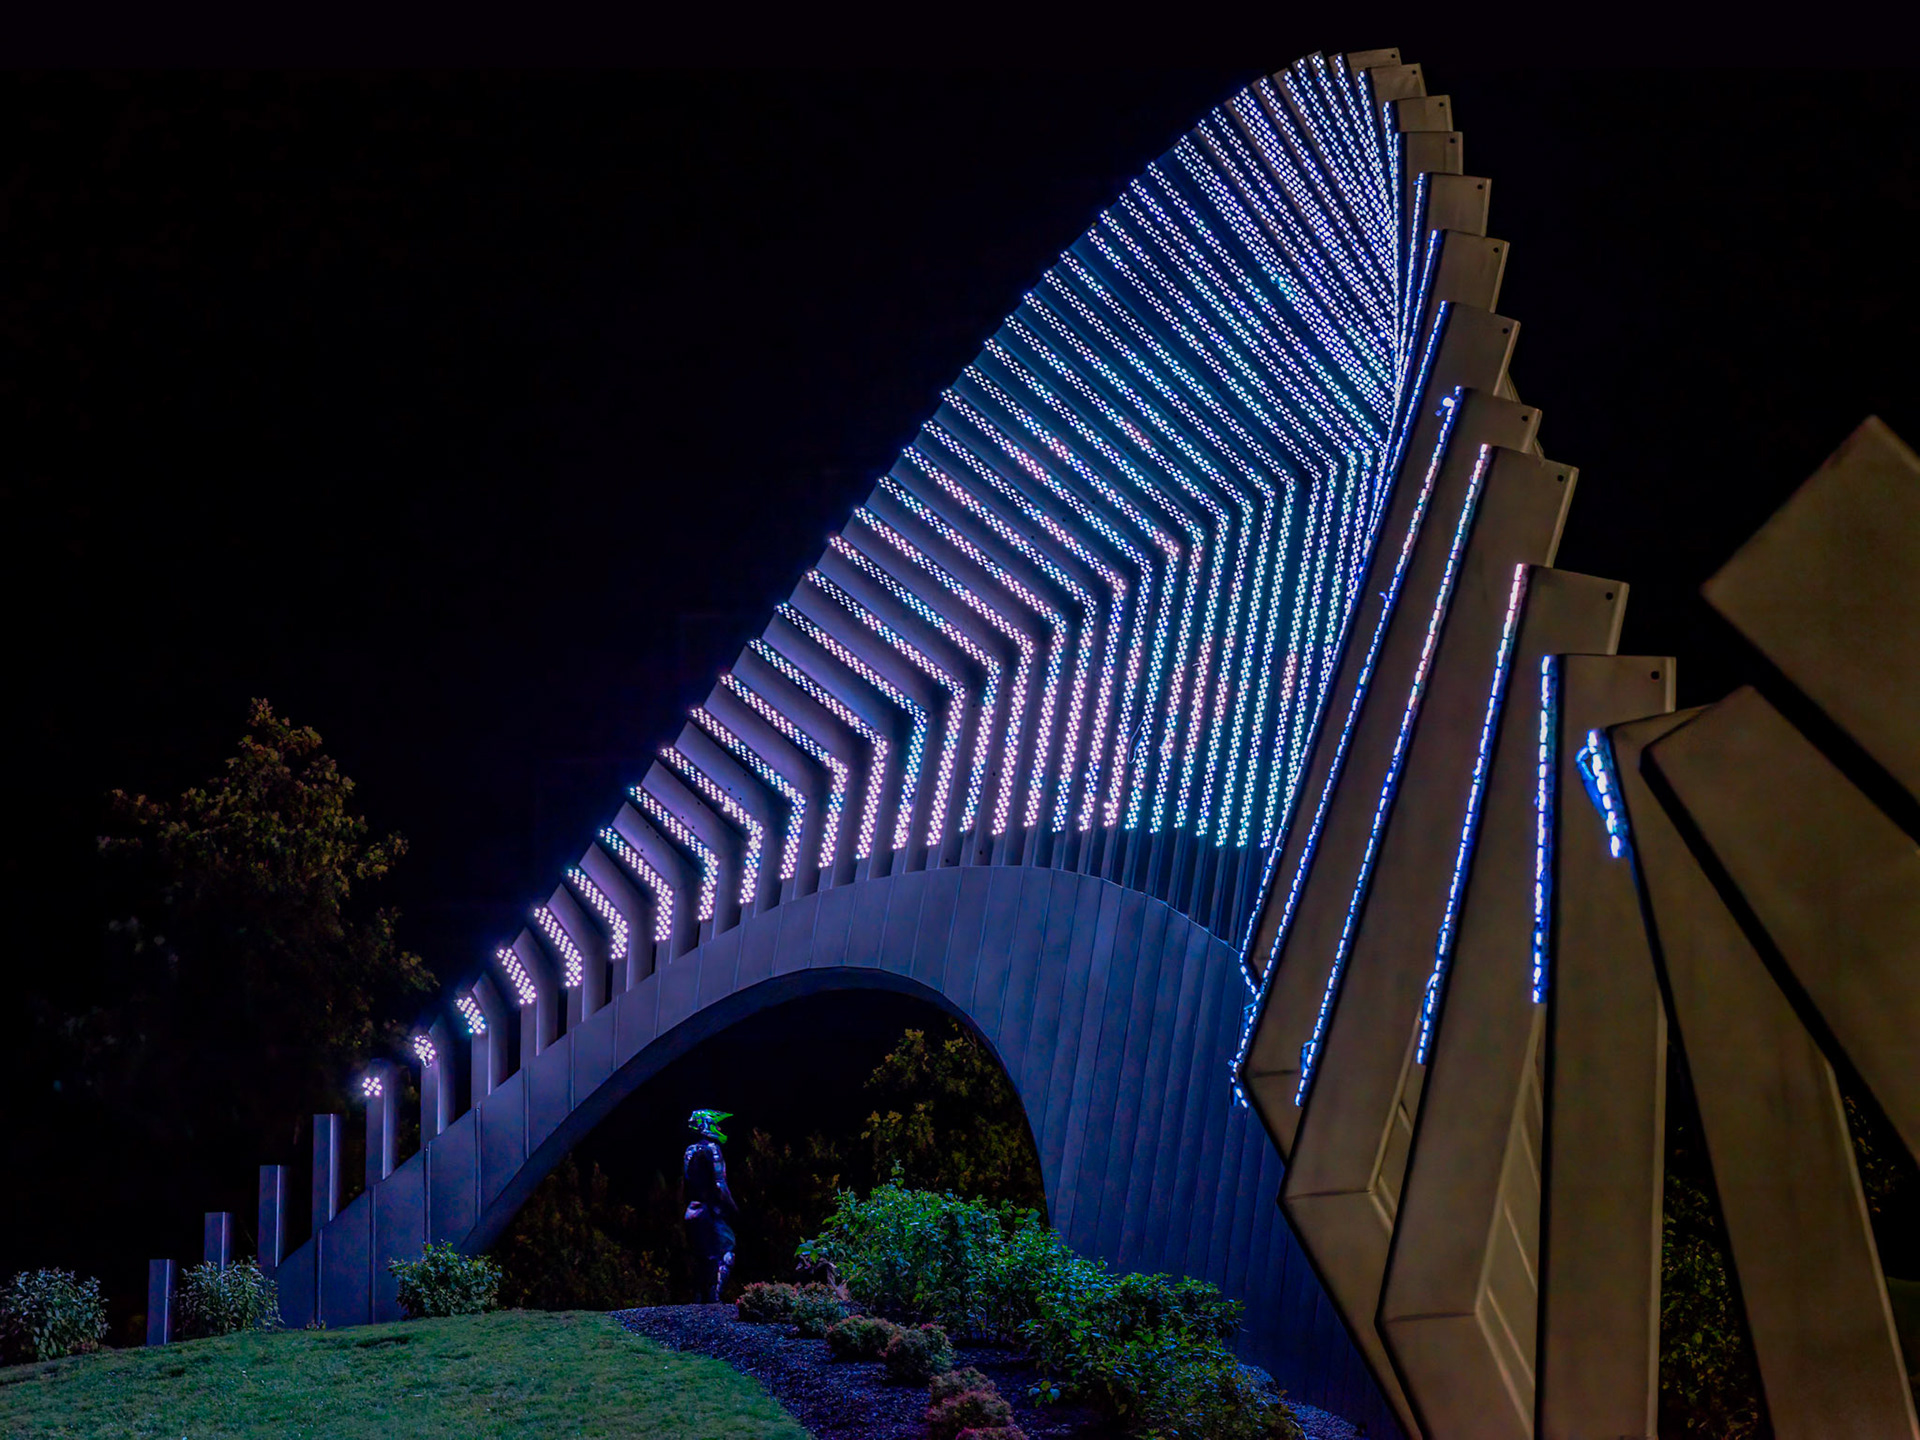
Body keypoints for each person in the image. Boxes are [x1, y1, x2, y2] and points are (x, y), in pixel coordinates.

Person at [683, 1108, 739, 1303]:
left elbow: (687, 1182)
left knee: (702, 1257)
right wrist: (733, 1208)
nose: (720, 1128)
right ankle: (714, 1297)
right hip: (711, 1211)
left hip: (692, 1210)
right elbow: (720, 1185)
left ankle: (699, 1299)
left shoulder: (689, 1151)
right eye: (717, 1125)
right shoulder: (713, 1149)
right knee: (726, 1252)